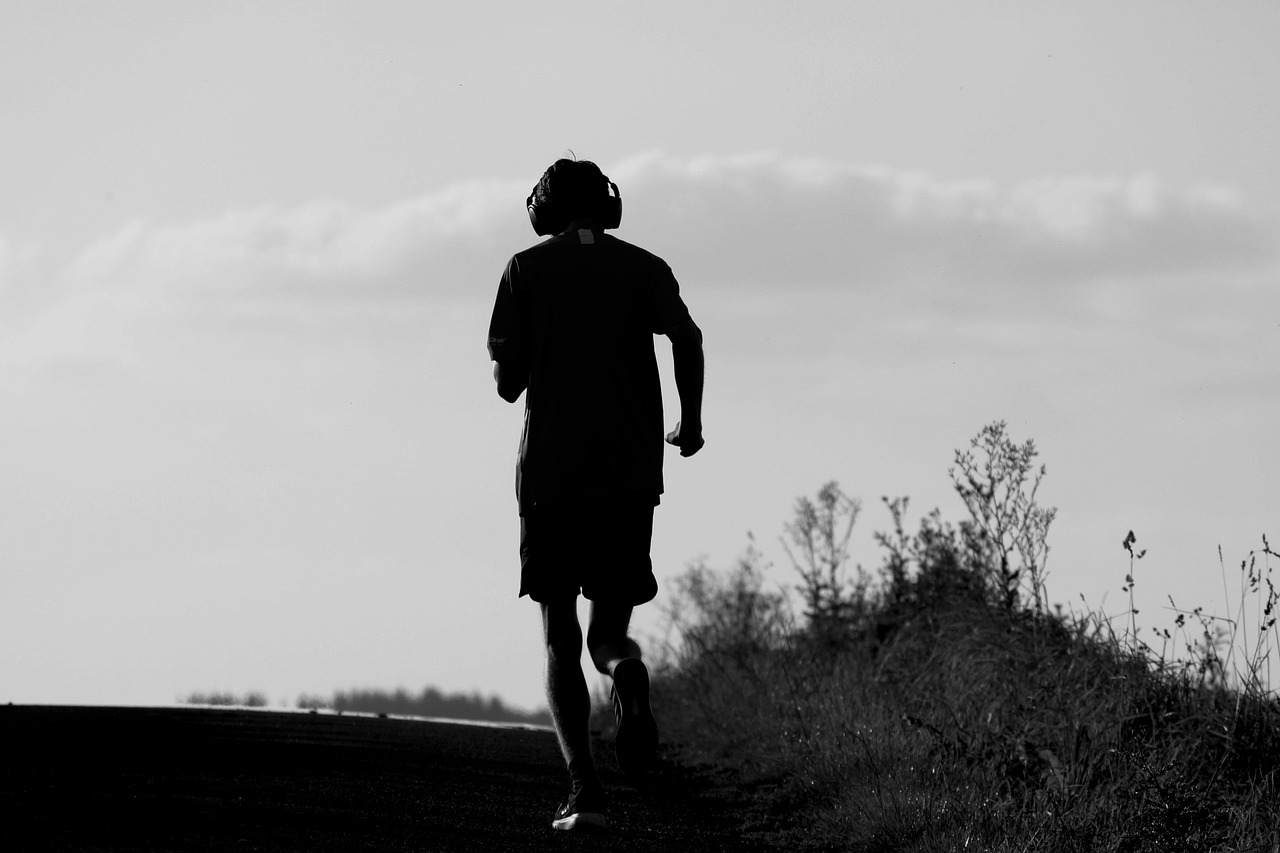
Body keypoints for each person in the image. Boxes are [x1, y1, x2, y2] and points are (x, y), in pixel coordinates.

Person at [487, 157, 705, 832]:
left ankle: (585, 790)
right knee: (609, 634)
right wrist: (689, 423)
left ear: (543, 209)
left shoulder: (525, 270)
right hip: (627, 475)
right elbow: (688, 337)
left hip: (552, 477)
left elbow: (507, 381)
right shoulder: (645, 267)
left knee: (560, 635)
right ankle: (629, 679)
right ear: (607, 204)